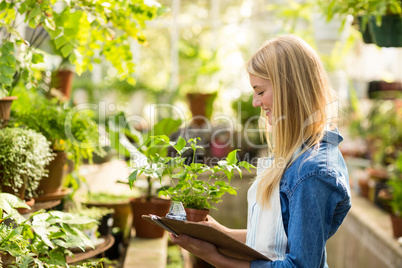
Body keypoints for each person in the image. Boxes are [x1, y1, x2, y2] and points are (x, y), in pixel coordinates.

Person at [170, 34, 352, 268]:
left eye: (260, 91)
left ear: (289, 89)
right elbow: (278, 239)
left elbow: (299, 265)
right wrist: (217, 231)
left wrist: (215, 258)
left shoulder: (313, 171)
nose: (256, 102)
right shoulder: (295, 153)